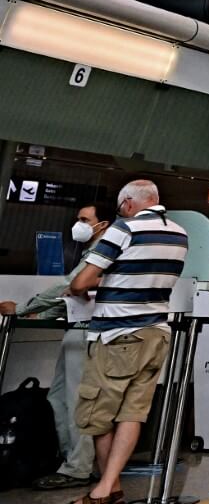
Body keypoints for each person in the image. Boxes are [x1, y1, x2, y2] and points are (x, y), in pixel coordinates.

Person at [65, 181, 187, 504]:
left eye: (121, 208)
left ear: (129, 204)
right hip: (157, 333)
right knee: (132, 413)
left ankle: (104, 490)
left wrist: (87, 285)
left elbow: (81, 282)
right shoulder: (179, 234)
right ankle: (112, 488)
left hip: (118, 335)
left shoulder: (124, 229)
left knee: (97, 413)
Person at [0, 203, 107, 491]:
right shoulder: (90, 254)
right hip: (77, 329)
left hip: (87, 334)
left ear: (103, 225)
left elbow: (70, 286)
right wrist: (42, 314)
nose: (79, 224)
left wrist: (22, 308)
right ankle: (69, 458)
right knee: (59, 397)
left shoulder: (103, 254)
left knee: (76, 401)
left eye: (85, 219)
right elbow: (69, 296)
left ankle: (79, 467)